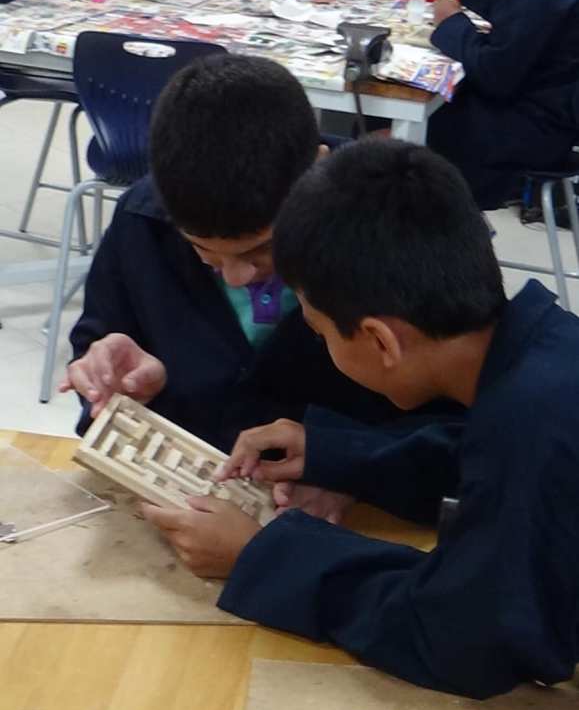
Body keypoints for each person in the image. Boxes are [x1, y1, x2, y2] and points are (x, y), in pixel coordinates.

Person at [143, 138, 579, 700]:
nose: (322, 345)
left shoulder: (532, 426)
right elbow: (475, 461)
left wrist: (261, 555)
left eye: (320, 331)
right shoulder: (544, 356)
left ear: (380, 340)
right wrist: (334, 454)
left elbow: (460, 638)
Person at [61, 54, 409, 461]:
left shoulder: (396, 229)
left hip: (347, 490)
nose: (235, 276)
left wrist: (340, 460)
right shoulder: (144, 219)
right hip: (194, 474)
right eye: (202, 250)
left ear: (318, 170)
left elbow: (449, 423)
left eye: (261, 248)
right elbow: (98, 347)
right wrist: (124, 388)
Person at [427, 0, 579, 209]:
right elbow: (519, 10)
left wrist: (451, 24)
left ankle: (423, 223)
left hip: (520, 130)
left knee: (404, 123)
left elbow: (493, 74)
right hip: (556, 122)